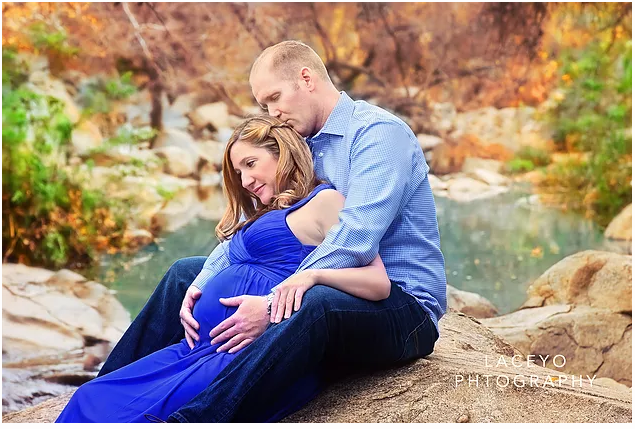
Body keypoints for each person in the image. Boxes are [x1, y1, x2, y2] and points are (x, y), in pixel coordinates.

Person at [99, 40, 447, 423]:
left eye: (274, 98)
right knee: (184, 273)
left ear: (306, 79)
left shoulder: (377, 135)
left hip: (401, 305)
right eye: (264, 105)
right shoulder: (299, 144)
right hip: (326, 284)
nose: (272, 113)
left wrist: (269, 304)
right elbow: (256, 237)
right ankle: (108, 394)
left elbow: (356, 240)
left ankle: (196, 419)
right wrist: (205, 279)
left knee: (314, 304)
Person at [56, 116, 392, 422]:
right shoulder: (265, 212)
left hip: (243, 356)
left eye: (251, 164)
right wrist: (198, 286)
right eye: (238, 172)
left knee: (140, 418)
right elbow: (223, 256)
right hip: (198, 348)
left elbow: (378, 282)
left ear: (283, 153)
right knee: (89, 397)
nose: (245, 180)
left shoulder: (325, 202)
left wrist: (312, 276)